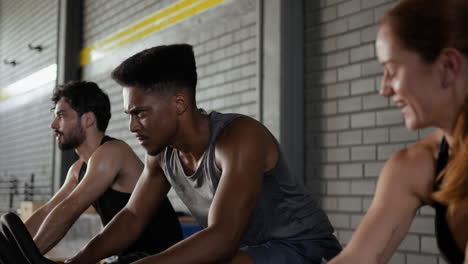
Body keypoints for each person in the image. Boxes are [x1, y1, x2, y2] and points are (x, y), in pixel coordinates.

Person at [64, 44, 342, 264]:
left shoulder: (239, 138)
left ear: (179, 104)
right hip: (247, 253)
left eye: (140, 113)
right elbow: (133, 217)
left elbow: (222, 237)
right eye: (129, 114)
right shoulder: (162, 154)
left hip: (305, 251)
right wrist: (79, 260)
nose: (132, 126)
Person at [328, 0, 468, 263]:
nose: (384, 89)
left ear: (448, 66)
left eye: (391, 70)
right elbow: (358, 258)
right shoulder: (417, 163)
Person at [0, 81, 182, 264]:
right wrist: (13, 248)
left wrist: (25, 256)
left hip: (161, 257)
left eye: (61, 116)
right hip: (128, 257)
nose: (53, 125)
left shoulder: (113, 152)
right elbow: (49, 210)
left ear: (88, 119)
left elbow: (71, 208)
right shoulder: (77, 169)